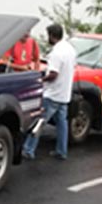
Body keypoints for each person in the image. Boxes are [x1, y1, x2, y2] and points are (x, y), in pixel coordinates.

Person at [22, 24, 76, 161]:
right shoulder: (70, 49)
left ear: (52, 35)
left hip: (52, 94)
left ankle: (28, 149)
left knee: (39, 122)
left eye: (48, 36)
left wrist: (41, 80)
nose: (48, 38)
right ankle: (61, 151)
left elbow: (53, 74)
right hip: (64, 94)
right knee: (62, 125)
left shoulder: (56, 53)